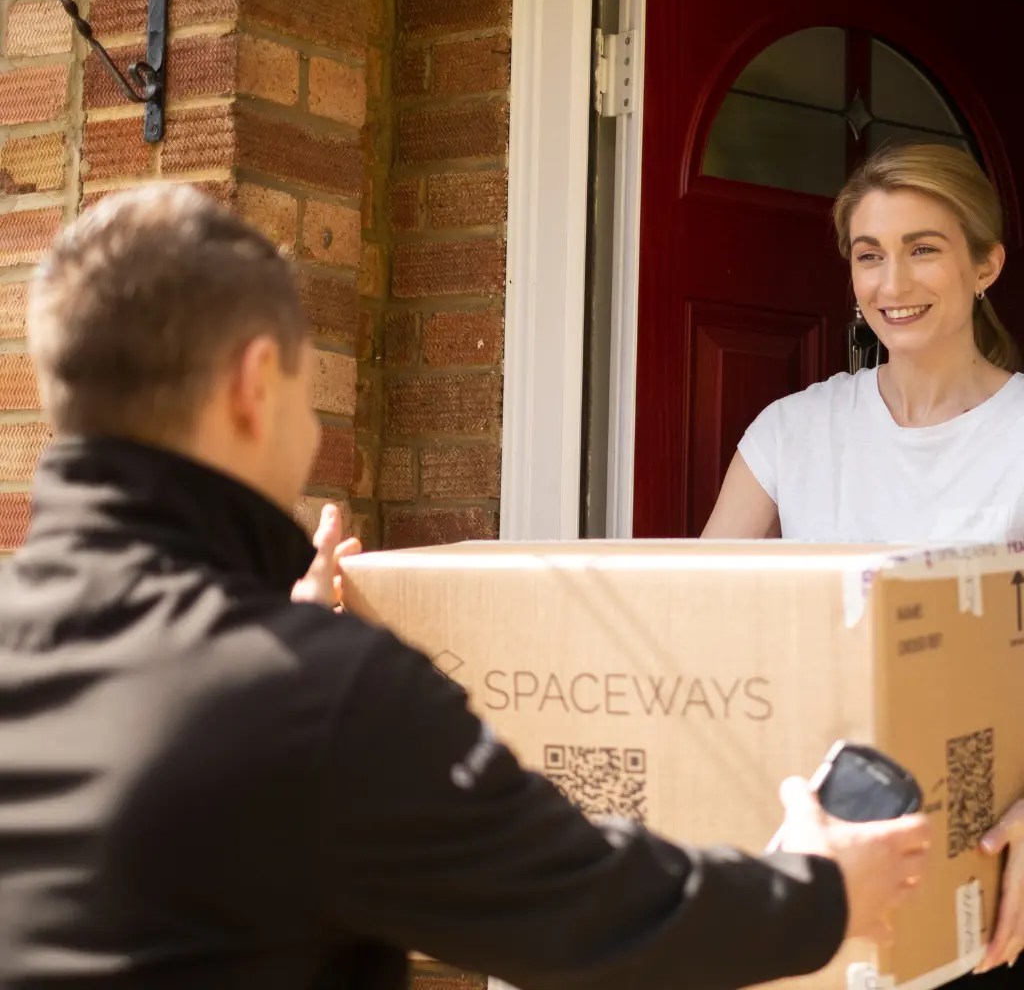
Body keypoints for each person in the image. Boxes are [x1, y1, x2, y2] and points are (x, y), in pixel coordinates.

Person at [0, 186, 930, 989]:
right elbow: (588, 917)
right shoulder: (313, 696)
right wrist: (824, 888)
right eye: (304, 382)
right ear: (253, 385)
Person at [703, 142, 1024, 980]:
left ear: (986, 265)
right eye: (869, 255)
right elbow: (698, 613)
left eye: (925, 249)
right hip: (817, 850)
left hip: (987, 851)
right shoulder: (792, 433)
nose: (893, 284)